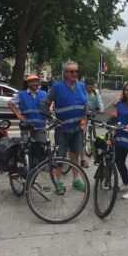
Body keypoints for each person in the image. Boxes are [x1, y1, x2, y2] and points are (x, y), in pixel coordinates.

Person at [41, 61, 88, 192]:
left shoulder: (81, 86)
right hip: (62, 130)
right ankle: (59, 183)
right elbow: (44, 103)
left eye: (76, 71)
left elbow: (85, 104)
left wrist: (86, 114)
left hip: (77, 129)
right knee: (60, 158)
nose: (74, 74)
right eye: (71, 72)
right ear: (65, 73)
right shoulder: (57, 87)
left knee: (75, 156)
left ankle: (76, 181)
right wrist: (51, 119)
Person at [8, 74, 47, 143]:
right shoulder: (21, 94)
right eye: (32, 81)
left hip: (40, 127)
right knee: (26, 148)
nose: (35, 83)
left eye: (36, 81)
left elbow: (50, 104)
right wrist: (18, 114)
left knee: (41, 148)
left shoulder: (43, 94)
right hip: (26, 127)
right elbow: (10, 103)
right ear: (28, 83)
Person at [80, 77, 105, 168]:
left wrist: (102, 108)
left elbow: (99, 101)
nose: (90, 87)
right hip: (83, 113)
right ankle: (82, 139)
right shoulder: (82, 91)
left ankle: (92, 137)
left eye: (91, 85)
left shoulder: (95, 92)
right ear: (85, 85)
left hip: (93, 112)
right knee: (82, 129)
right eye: (88, 85)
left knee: (92, 125)